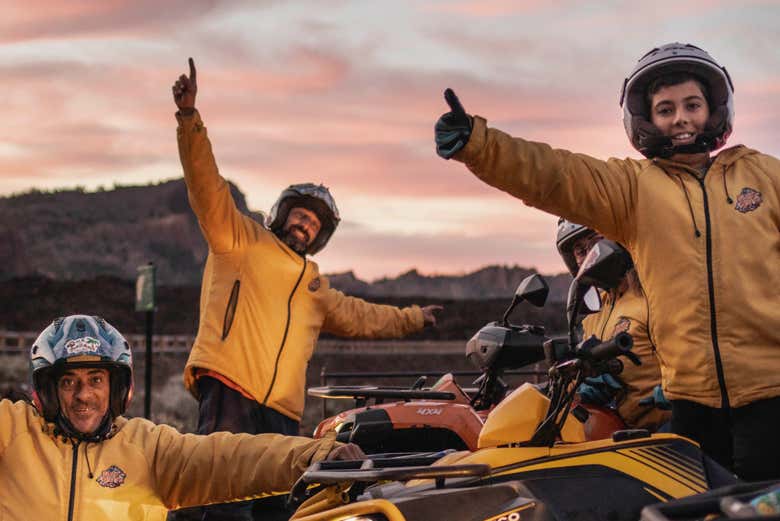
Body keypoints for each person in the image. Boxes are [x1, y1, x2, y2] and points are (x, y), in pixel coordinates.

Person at [434, 42, 780, 480]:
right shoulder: (634, 189)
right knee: (696, 508)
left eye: (692, 105)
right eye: (665, 109)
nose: (680, 118)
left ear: (714, 108)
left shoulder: (763, 176)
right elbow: (556, 175)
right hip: (690, 402)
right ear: (647, 119)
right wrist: (480, 145)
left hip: (772, 394)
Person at [171, 59, 441, 519]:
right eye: (300, 214)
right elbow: (206, 186)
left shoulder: (316, 285)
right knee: (220, 500)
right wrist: (189, 119)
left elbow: (362, 316)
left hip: (282, 411)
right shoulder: (239, 238)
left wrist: (415, 317)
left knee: (279, 508)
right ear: (281, 213)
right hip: (231, 387)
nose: (305, 224)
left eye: (314, 223)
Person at [0, 315, 363, 521]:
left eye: (96, 380)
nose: (83, 395)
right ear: (47, 391)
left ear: (117, 387)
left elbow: (228, 458)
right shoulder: (14, 429)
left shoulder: (147, 446)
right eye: (69, 382)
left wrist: (313, 456)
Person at [557, 219, 670, 432]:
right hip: (621, 430)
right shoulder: (594, 313)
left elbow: (692, 355)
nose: (590, 253)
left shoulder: (653, 294)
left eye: (596, 241)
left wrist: (670, 393)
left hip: (665, 426)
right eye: (580, 251)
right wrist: (578, 383)